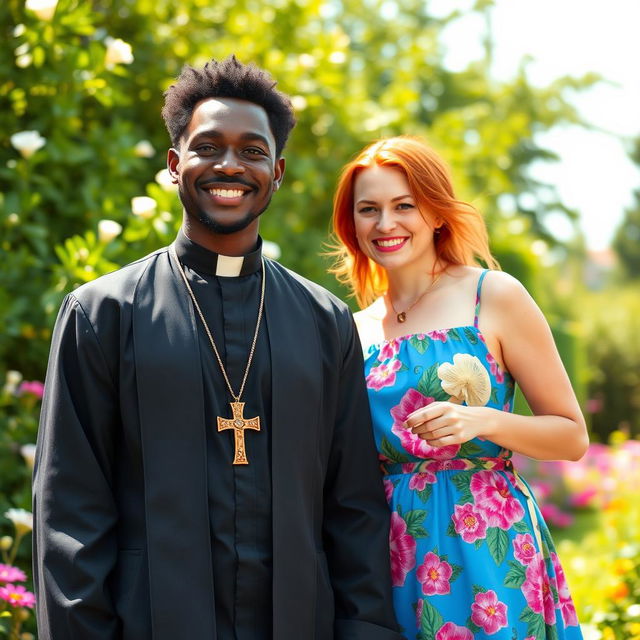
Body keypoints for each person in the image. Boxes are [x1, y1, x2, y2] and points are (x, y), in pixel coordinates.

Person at [33, 56, 403, 640]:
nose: (230, 165)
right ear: (176, 164)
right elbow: (70, 514)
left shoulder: (324, 321)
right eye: (209, 147)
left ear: (277, 172)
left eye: (253, 151)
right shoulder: (102, 314)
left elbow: (353, 508)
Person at [330, 135, 588, 639]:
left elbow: (572, 436)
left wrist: (483, 420)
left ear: (437, 211)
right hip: (388, 551)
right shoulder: (350, 329)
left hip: (488, 542)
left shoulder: (492, 295)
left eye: (404, 205)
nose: (386, 224)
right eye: (369, 209)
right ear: (351, 223)